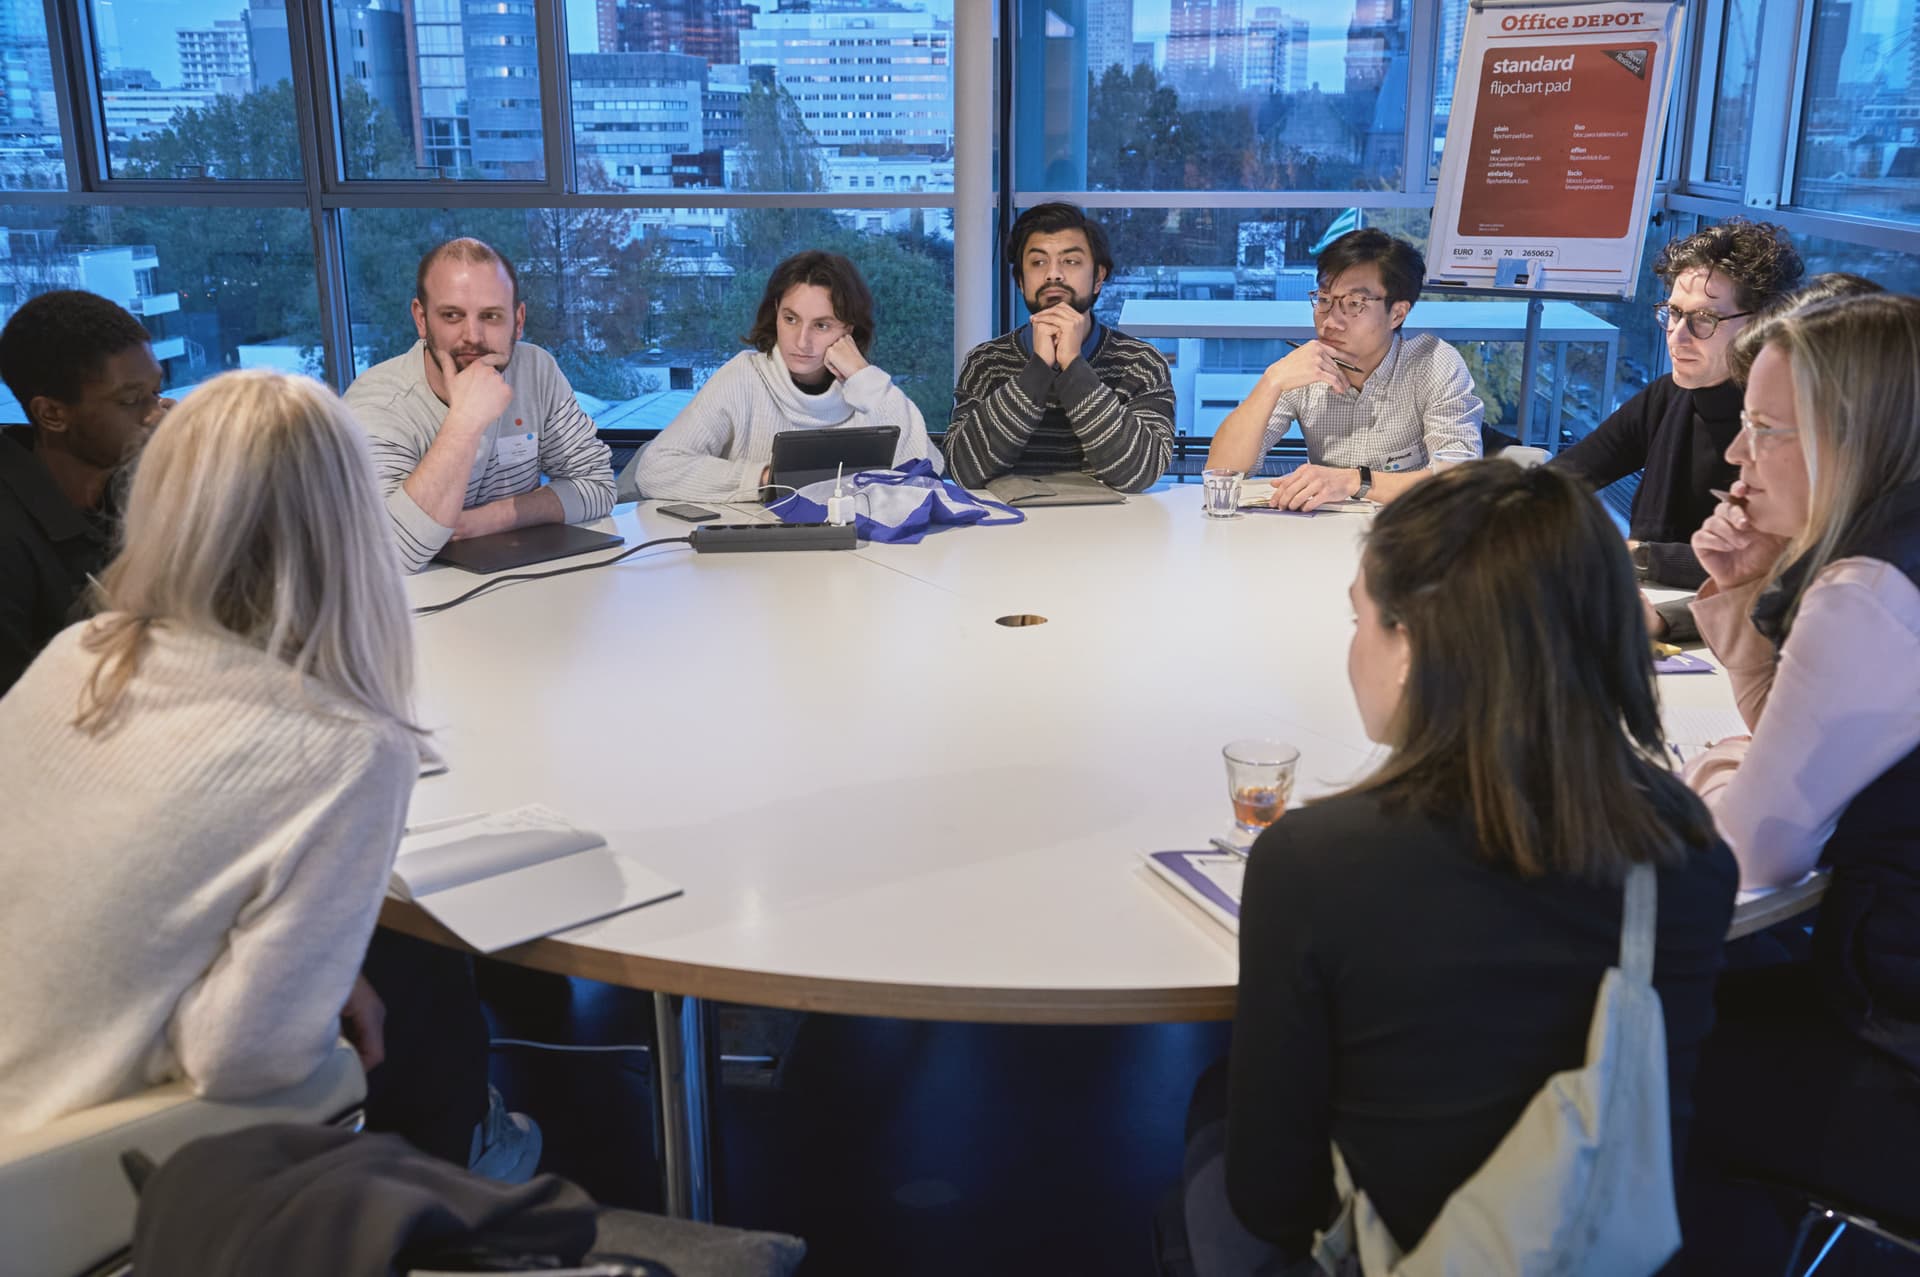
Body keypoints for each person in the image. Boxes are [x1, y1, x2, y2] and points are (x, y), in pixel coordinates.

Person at [1180, 462, 1735, 1274]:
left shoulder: (1312, 862)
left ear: (1413, 643)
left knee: (1206, 1124)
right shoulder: (1685, 852)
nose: (1354, 649)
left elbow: (1273, 1197)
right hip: (1603, 1248)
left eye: (1361, 621)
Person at [0, 370, 419, 1136]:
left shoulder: (81, 653)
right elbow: (240, 1056)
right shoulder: (350, 748)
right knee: (397, 1020)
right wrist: (312, 984)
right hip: (53, 1175)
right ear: (352, 521)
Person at [1678, 293, 1920, 1261]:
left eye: (1766, 431)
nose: (1736, 458)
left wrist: (1708, 773)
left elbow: (1745, 856)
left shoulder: (1867, 589)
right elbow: (1813, 748)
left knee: (1609, 1037)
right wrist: (1741, 598)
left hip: (1893, 1041)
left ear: (1850, 437)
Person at [1552, 221, 1804, 641]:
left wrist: (1643, 562)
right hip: (1644, 614)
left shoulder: (1792, 427)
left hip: (1731, 638)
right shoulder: (1670, 395)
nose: (1676, 334)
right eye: (1672, 313)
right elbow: (1567, 475)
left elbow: (1782, 574)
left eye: (1703, 319)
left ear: (1760, 325)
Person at [345, 238, 615, 573]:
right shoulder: (377, 403)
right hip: (413, 609)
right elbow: (392, 553)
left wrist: (479, 522)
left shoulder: (536, 369)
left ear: (518, 321)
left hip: (514, 585)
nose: (472, 336)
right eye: (452, 315)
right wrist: (464, 422)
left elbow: (597, 486)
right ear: (421, 318)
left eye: (490, 316)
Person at [629, 250, 942, 502]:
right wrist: (766, 479)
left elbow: (927, 472)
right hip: (752, 557)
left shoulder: (867, 391)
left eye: (822, 325)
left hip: (849, 553)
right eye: (790, 319)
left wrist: (864, 378)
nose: (801, 341)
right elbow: (655, 469)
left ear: (848, 329)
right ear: (775, 311)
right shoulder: (744, 377)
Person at [1207, 229, 1483, 511]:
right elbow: (1221, 473)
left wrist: (1356, 482)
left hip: (1410, 537)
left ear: (1397, 314)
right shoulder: (1304, 368)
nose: (1330, 322)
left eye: (1354, 304)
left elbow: (1460, 483)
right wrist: (1271, 381)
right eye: (1325, 300)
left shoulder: (1433, 363)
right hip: (1323, 540)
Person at [0, 290, 171, 695]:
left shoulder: (134, 483)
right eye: (130, 400)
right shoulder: (9, 540)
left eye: (155, 391)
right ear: (52, 414)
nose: (156, 414)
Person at [944, 202, 1174, 492]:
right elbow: (964, 470)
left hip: (1111, 531)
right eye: (1038, 263)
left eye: (1071, 262)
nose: (1053, 274)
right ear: (1020, 281)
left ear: (1099, 278)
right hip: (1009, 531)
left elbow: (1141, 472)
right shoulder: (987, 362)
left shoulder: (1140, 363)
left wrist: (1073, 366)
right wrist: (1037, 369)